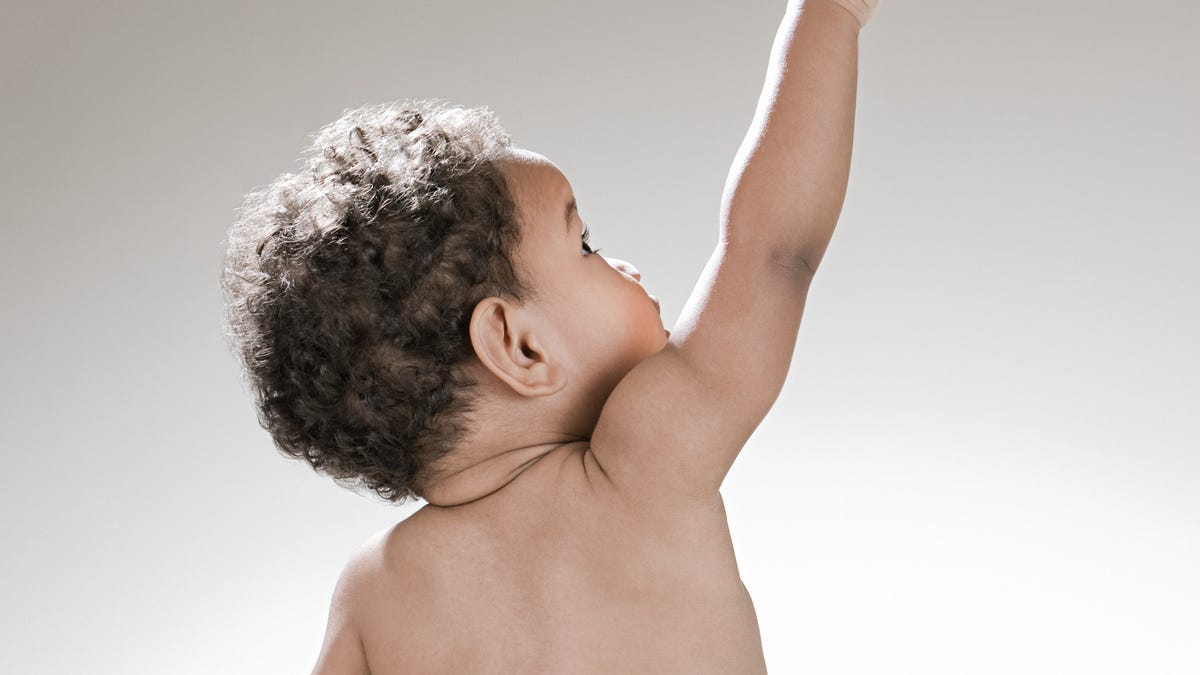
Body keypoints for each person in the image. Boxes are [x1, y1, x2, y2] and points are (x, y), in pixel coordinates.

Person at [220, 0, 880, 671]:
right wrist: (831, 14)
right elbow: (771, 252)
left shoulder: (374, 591)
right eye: (586, 245)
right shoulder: (640, 470)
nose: (626, 266)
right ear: (520, 348)